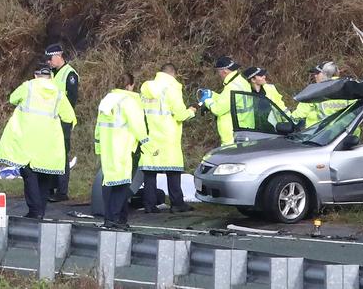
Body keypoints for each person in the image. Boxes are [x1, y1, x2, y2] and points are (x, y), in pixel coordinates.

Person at [0, 65, 77, 219]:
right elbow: (69, 116)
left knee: (29, 175)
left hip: (28, 141)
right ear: (50, 76)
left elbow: (12, 99)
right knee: (44, 176)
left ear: (35, 75)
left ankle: (34, 211)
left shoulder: (28, 87)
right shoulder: (58, 92)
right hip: (48, 143)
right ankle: (41, 211)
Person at [95, 73, 156, 229]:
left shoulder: (107, 100)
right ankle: (114, 219)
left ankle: (117, 218)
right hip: (123, 147)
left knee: (109, 183)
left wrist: (98, 147)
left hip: (108, 149)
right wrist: (150, 147)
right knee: (122, 185)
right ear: (130, 85)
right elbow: (138, 126)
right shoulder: (129, 102)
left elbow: (98, 127)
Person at [138, 63, 196, 214]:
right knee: (173, 170)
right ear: (173, 74)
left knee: (150, 172)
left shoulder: (147, 88)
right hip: (168, 135)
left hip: (150, 133)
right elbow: (180, 114)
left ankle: (149, 205)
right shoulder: (172, 88)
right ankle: (177, 203)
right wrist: (191, 110)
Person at [45, 42, 79, 203]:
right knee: (50, 153)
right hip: (51, 120)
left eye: (50, 58)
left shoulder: (70, 74)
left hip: (63, 120)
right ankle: (50, 188)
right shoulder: (52, 73)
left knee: (62, 155)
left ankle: (62, 191)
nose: (48, 62)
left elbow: (71, 101)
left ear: (59, 56)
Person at [200, 56, 253, 145]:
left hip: (232, 133)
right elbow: (230, 101)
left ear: (224, 71)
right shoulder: (241, 81)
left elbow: (218, 109)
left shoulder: (231, 87)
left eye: (218, 72)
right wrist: (212, 95)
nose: (218, 74)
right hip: (245, 127)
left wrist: (207, 100)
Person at [292, 61, 352, 128]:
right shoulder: (350, 87)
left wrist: (289, 122)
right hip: (349, 135)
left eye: (318, 73)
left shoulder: (314, 91)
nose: (315, 76)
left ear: (325, 74)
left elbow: (298, 116)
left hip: (321, 135)